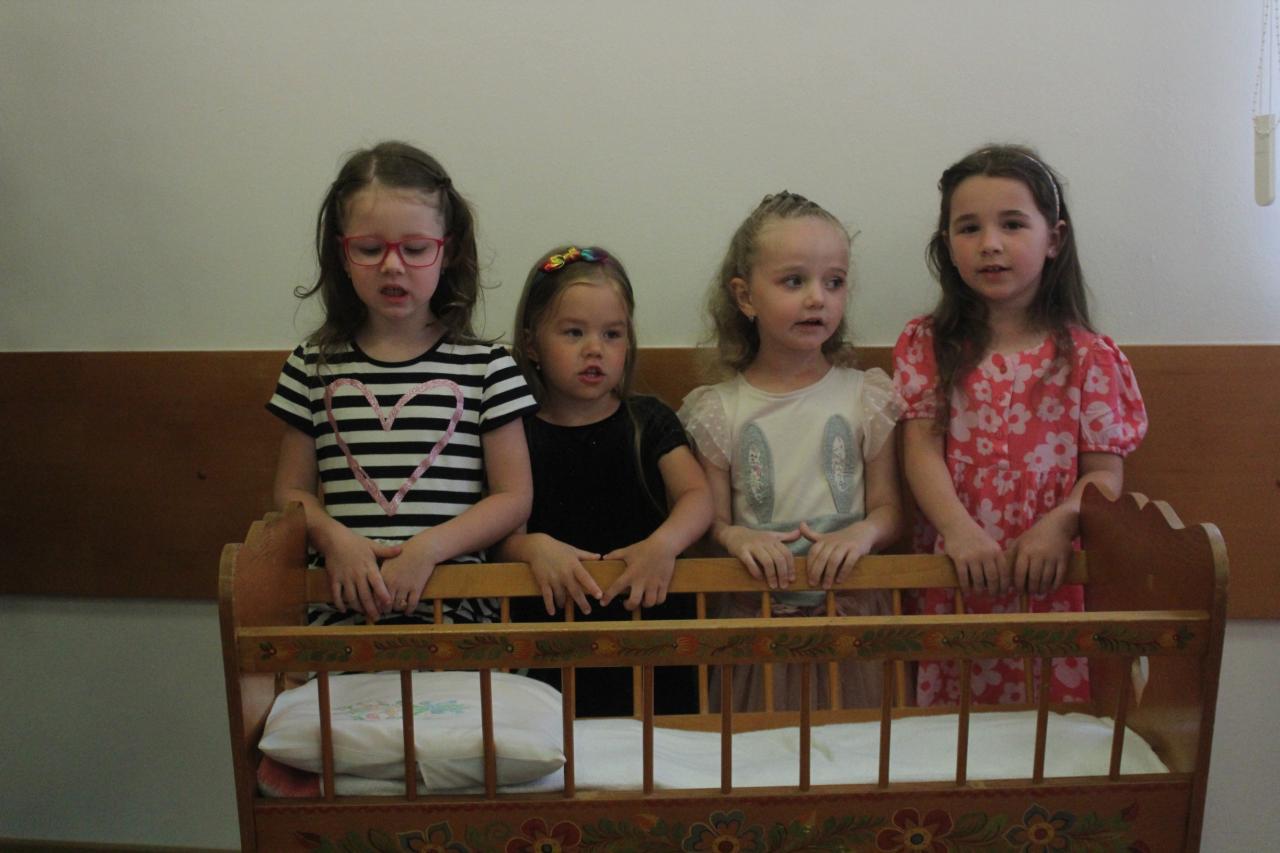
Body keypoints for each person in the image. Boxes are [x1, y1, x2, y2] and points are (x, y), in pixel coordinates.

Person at [894, 144, 1148, 706]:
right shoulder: (927, 344)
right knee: (954, 734)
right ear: (947, 245)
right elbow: (921, 450)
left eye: (1012, 224)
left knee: (1052, 732)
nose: (990, 243)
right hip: (958, 569)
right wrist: (958, 530)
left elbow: (1104, 474)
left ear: (1054, 238)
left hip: (1052, 576)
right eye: (969, 228)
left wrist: (1061, 523)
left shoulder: (1091, 358)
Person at [267, 141, 536, 626]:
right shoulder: (311, 367)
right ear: (342, 254)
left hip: (459, 617)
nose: (393, 265)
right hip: (343, 614)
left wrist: (429, 548)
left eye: (415, 249)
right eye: (370, 249)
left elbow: (513, 498)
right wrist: (333, 539)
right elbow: (291, 492)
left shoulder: (488, 368)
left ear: (447, 251)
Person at [680, 192, 903, 711]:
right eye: (794, 281)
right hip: (756, 626)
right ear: (745, 296)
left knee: (860, 747)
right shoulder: (718, 410)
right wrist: (735, 536)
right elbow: (709, 523)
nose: (817, 299)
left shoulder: (866, 396)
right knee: (757, 748)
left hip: (851, 621)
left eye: (834, 282)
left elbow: (891, 511)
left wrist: (862, 533)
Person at [498, 246, 713, 716]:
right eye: (574, 332)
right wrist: (533, 548)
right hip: (554, 644)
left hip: (654, 641)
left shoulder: (647, 420)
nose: (594, 348)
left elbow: (697, 496)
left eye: (612, 334)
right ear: (531, 344)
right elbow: (500, 536)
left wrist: (663, 546)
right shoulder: (514, 432)